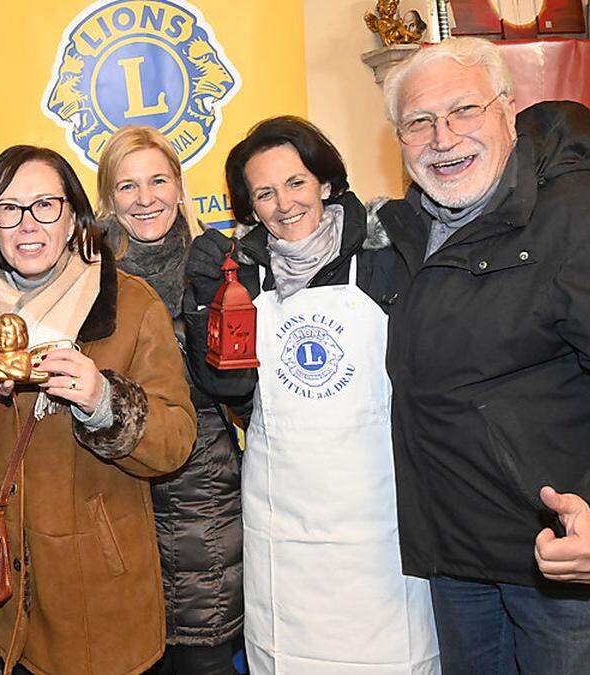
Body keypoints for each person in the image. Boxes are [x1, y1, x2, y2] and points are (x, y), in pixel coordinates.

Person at [377, 37, 590, 674]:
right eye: (419, 122)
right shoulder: (409, 234)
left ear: (509, 112)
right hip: (461, 571)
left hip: (573, 574)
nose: (442, 138)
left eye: (463, 111)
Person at [184, 116, 438, 674]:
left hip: (380, 524)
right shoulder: (244, 277)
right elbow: (232, 389)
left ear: (325, 184)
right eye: (265, 193)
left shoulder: (384, 260)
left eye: (296, 183)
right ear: (249, 208)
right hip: (285, 528)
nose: (283, 204)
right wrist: (206, 307)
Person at [0, 145, 196, 674]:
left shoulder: (128, 305)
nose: (27, 224)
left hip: (98, 600)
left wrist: (104, 402)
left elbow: (175, 442)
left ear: (74, 216)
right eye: (9, 208)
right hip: (0, 599)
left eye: (45, 205)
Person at [93, 125, 242, 675]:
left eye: (158, 180)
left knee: (202, 651)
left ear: (180, 188)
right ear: (109, 198)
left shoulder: (219, 264)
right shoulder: (87, 277)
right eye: (127, 186)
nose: (146, 197)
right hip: (112, 480)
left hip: (202, 480)